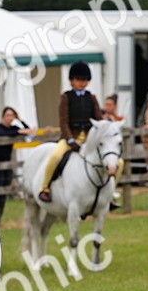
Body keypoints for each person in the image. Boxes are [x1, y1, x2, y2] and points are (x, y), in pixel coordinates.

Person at [38, 61, 103, 203]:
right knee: (55, 156)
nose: (82, 83)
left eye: (85, 80)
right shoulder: (66, 97)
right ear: (72, 81)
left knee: (114, 160)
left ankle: (107, 194)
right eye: (79, 80)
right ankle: (45, 187)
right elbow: (63, 122)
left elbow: (99, 119)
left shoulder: (91, 98)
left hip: (88, 138)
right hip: (71, 137)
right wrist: (70, 140)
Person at [0, 107, 33, 225]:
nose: (10, 118)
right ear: (3, 116)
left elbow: (29, 131)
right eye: (8, 115)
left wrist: (20, 120)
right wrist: (18, 132)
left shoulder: (14, 128)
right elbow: (3, 134)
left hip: (7, 165)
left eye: (12, 115)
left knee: (4, 193)